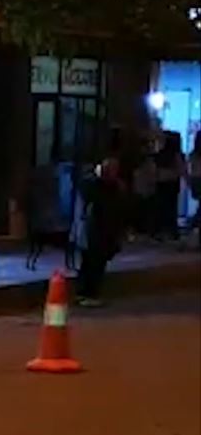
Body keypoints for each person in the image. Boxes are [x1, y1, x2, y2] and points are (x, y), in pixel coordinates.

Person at [76, 129, 134, 307]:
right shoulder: (94, 184)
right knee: (92, 262)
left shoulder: (114, 187)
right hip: (96, 228)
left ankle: (88, 293)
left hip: (105, 228)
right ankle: (87, 293)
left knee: (96, 262)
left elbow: (121, 208)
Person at [152, 131, 185, 243]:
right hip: (172, 182)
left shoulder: (160, 154)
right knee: (171, 206)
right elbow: (181, 169)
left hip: (161, 182)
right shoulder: (177, 154)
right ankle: (171, 231)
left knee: (161, 206)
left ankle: (159, 230)